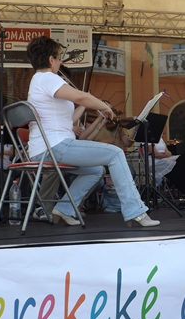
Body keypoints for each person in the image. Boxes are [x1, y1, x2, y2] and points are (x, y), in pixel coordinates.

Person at [25, 35, 158, 227]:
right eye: (59, 58)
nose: (60, 62)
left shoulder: (38, 81)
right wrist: (105, 107)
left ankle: (64, 208)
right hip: (55, 147)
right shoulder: (47, 78)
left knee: (95, 171)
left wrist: (94, 108)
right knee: (115, 153)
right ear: (51, 59)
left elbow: (67, 120)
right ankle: (135, 211)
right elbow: (82, 97)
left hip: (47, 149)